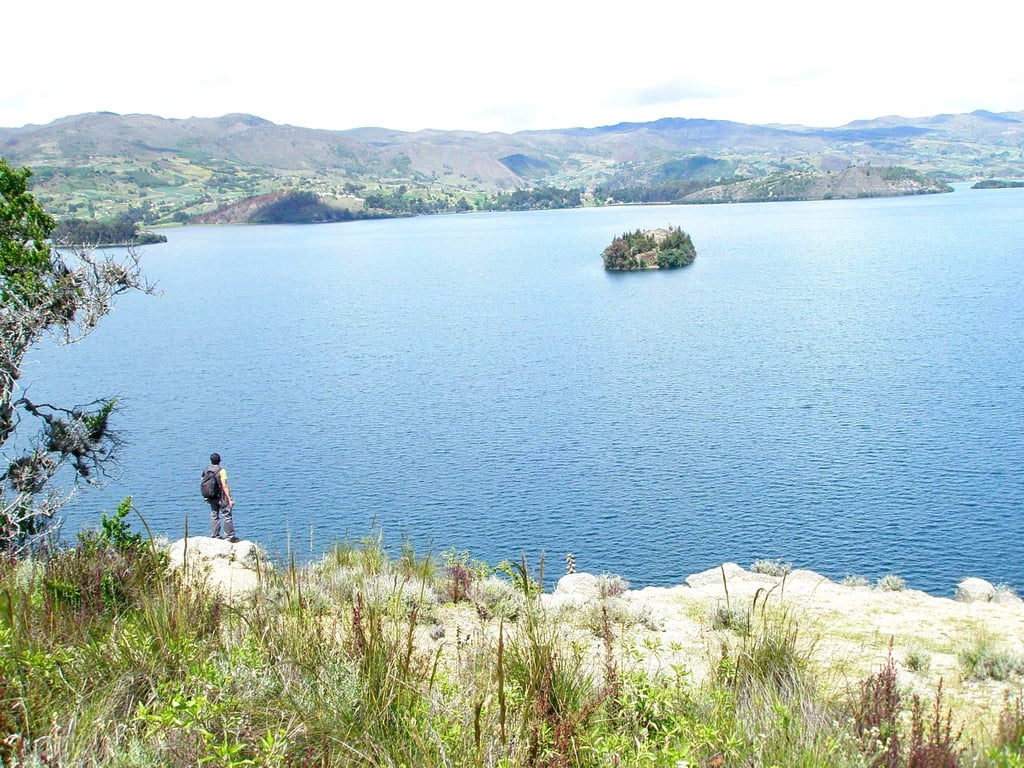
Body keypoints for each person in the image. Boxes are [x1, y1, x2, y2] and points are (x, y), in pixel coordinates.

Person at [204, 452, 238, 542]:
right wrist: (230, 499)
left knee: (214, 514)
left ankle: (215, 535)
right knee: (227, 515)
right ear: (220, 461)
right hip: (221, 496)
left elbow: (203, 483)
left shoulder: (206, 470)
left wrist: (206, 496)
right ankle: (230, 536)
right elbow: (225, 486)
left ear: (210, 461)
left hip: (211, 496)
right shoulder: (221, 471)